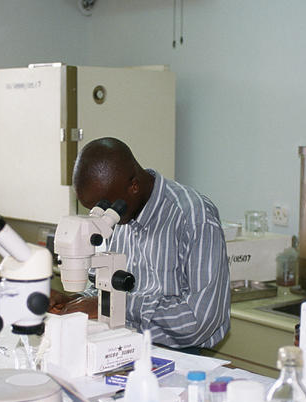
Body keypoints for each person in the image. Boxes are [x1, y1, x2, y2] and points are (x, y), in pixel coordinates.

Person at [51, 137, 230, 350]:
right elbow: (105, 290)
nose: (100, 216)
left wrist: (118, 306)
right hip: (124, 344)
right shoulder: (117, 213)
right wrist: (74, 300)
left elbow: (198, 321)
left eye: (103, 207)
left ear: (133, 186)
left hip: (182, 353)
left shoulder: (193, 216)